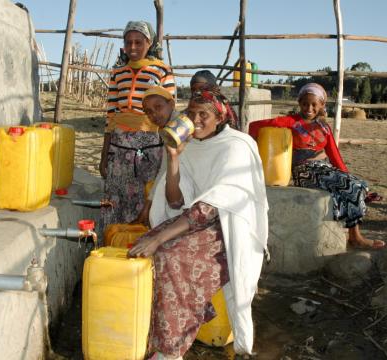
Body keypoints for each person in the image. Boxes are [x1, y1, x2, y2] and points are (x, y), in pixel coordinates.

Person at [128, 88, 269, 359]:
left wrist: (158, 238)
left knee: (170, 254)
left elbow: (210, 208)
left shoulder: (237, 146)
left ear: (220, 117)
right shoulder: (191, 146)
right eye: (191, 113)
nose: (196, 120)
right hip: (195, 221)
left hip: (230, 230)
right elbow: (174, 200)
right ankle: (154, 337)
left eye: (203, 114)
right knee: (146, 250)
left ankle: (169, 350)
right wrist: (174, 158)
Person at [248, 82, 385, 250]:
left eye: (314, 104)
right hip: (304, 171)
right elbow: (253, 126)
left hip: (324, 169)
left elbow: (335, 157)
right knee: (351, 187)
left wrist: (346, 175)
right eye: (305, 103)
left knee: (356, 185)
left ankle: (353, 233)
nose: (309, 108)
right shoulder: (290, 122)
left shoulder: (324, 128)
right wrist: (259, 145)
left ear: (321, 105)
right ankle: (355, 237)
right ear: (299, 103)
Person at [99, 21, 176, 229]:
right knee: (116, 198)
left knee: (147, 197)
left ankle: (143, 252)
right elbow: (111, 115)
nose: (132, 47)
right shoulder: (117, 73)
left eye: (138, 42)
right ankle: (112, 246)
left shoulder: (162, 71)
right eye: (128, 42)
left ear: (149, 43)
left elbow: (168, 110)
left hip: (151, 146)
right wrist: (104, 154)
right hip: (119, 147)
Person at [132, 86, 178, 225]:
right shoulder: (166, 127)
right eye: (148, 112)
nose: (154, 115)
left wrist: (149, 205)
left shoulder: (178, 127)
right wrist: (149, 203)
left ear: (171, 104)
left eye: (158, 107)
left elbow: (165, 170)